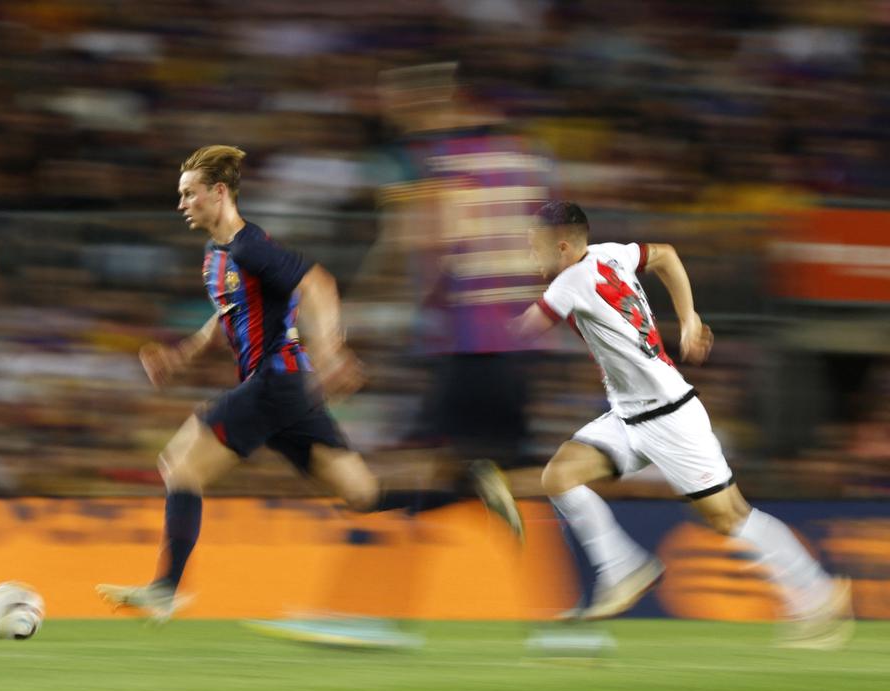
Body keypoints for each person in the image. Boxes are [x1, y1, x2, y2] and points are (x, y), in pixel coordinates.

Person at [97, 145, 522, 622]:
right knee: (364, 495)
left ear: (218, 193)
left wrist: (331, 351)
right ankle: (472, 488)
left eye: (189, 194)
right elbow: (227, 314)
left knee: (180, 465)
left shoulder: (249, 246)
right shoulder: (217, 254)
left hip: (276, 383)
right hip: (289, 391)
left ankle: (166, 589)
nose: (182, 205)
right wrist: (184, 353)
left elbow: (317, 284)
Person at [510, 200, 851, 648]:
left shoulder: (569, 282)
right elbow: (666, 254)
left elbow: (518, 333)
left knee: (729, 517)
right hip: (630, 414)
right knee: (560, 475)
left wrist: (468, 323)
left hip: (670, 416)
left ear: (561, 246)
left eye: (535, 248)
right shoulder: (611, 253)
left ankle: (817, 593)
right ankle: (623, 568)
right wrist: (688, 317)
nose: (532, 258)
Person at [371, 61, 551, 492]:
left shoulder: (429, 158)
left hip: (468, 335)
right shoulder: (521, 152)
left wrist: (382, 299)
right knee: (508, 457)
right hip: (522, 332)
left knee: (424, 464)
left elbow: (426, 241)